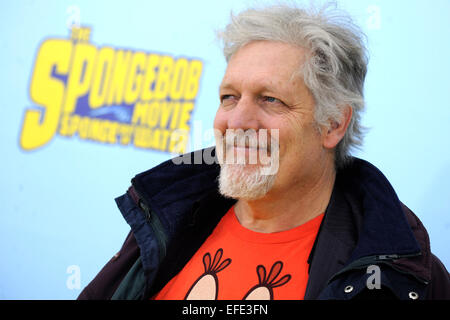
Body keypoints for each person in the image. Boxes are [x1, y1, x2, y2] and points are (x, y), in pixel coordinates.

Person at [78, 4, 449, 300]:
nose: (237, 121)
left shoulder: (402, 278)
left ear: (334, 124)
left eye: (270, 99)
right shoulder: (164, 221)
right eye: (229, 97)